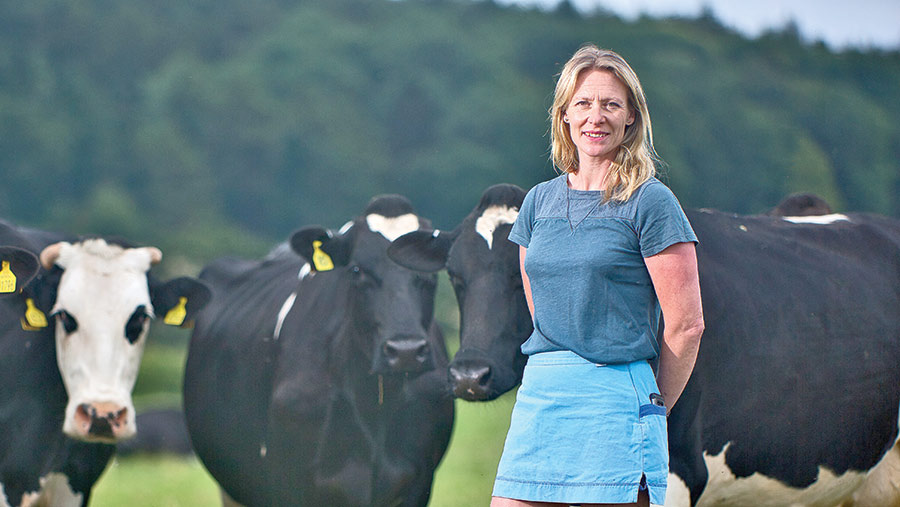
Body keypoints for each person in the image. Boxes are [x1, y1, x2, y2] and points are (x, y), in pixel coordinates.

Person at [491, 44, 704, 507]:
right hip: (543, 396)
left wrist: (650, 407)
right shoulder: (537, 202)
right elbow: (543, 310)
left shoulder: (652, 203)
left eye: (611, 104)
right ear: (564, 114)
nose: (596, 116)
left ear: (631, 117)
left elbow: (687, 326)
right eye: (584, 103)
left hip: (616, 401)